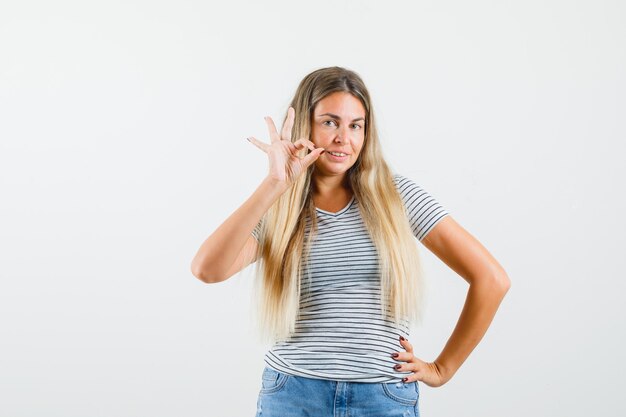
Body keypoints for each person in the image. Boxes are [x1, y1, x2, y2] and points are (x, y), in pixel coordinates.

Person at [190, 66, 510, 417]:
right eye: (329, 122)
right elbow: (208, 270)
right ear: (304, 127)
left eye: (355, 125)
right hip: (294, 394)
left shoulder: (396, 196)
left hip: (382, 396)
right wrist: (274, 184)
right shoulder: (277, 208)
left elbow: (491, 280)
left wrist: (442, 369)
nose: (344, 137)